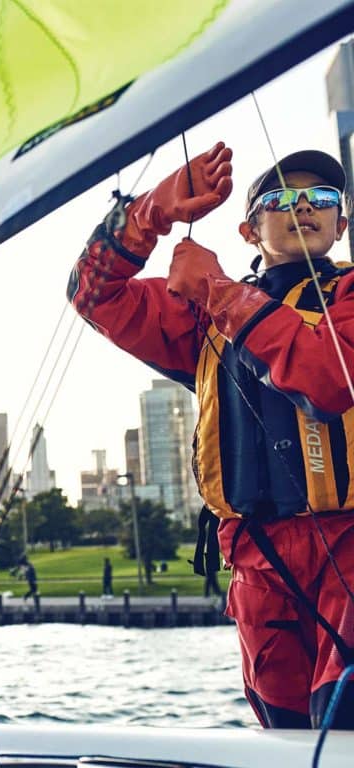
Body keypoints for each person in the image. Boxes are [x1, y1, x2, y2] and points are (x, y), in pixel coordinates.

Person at [68, 142, 354, 728]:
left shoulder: (347, 296)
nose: (304, 206)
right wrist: (150, 212)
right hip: (258, 560)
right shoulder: (199, 317)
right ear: (249, 230)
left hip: (350, 549)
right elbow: (93, 295)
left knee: (343, 716)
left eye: (321, 197)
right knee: (285, 730)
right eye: (281, 198)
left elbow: (329, 377)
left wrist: (220, 292)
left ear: (341, 223)